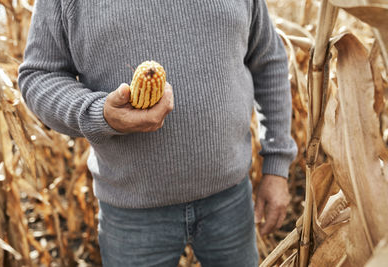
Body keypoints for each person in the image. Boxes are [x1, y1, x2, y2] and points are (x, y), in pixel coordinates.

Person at [18, 0, 297, 266]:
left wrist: (277, 166)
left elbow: (268, 60)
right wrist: (100, 113)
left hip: (231, 200)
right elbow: (39, 76)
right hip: (132, 213)